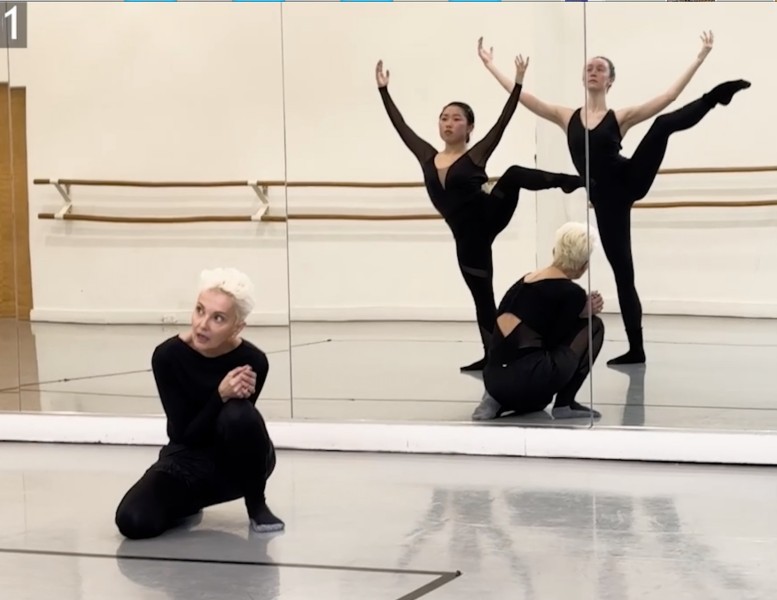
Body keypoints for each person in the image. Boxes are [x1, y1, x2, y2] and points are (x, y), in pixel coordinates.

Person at [478, 32, 750, 365]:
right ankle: (636, 349)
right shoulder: (566, 116)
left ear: (610, 81)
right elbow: (524, 99)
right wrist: (493, 67)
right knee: (624, 273)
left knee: (662, 124)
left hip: (629, 178)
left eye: (600, 69)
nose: (593, 72)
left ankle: (715, 97)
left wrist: (700, 57)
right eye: (589, 68)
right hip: (607, 202)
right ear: (583, 79)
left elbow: (669, 96)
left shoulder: (620, 118)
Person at [375, 58, 585, 372]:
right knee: (483, 299)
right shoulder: (426, 156)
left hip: (490, 214)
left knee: (513, 174)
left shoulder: (475, 156)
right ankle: (492, 356)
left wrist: (518, 83)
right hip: (467, 238)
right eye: (444, 118)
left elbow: (503, 122)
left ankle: (569, 182)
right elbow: (401, 126)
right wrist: (383, 90)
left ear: (469, 127)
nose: (448, 123)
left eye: (456, 118)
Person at [114, 267, 284, 539]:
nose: (203, 324)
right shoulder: (167, 356)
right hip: (186, 457)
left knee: (239, 413)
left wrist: (226, 399)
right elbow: (185, 435)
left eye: (218, 318)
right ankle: (188, 502)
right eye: (200, 310)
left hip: (238, 464)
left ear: (237, 326)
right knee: (132, 520)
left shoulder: (253, 361)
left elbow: (240, 429)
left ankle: (256, 504)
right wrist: (220, 395)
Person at [473, 222, 604, 421]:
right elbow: (555, 343)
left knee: (525, 368)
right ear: (584, 266)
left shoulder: (525, 280)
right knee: (594, 326)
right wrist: (582, 314)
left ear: (554, 251)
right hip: (527, 382)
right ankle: (565, 403)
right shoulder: (572, 293)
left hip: (493, 379)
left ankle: (496, 399)